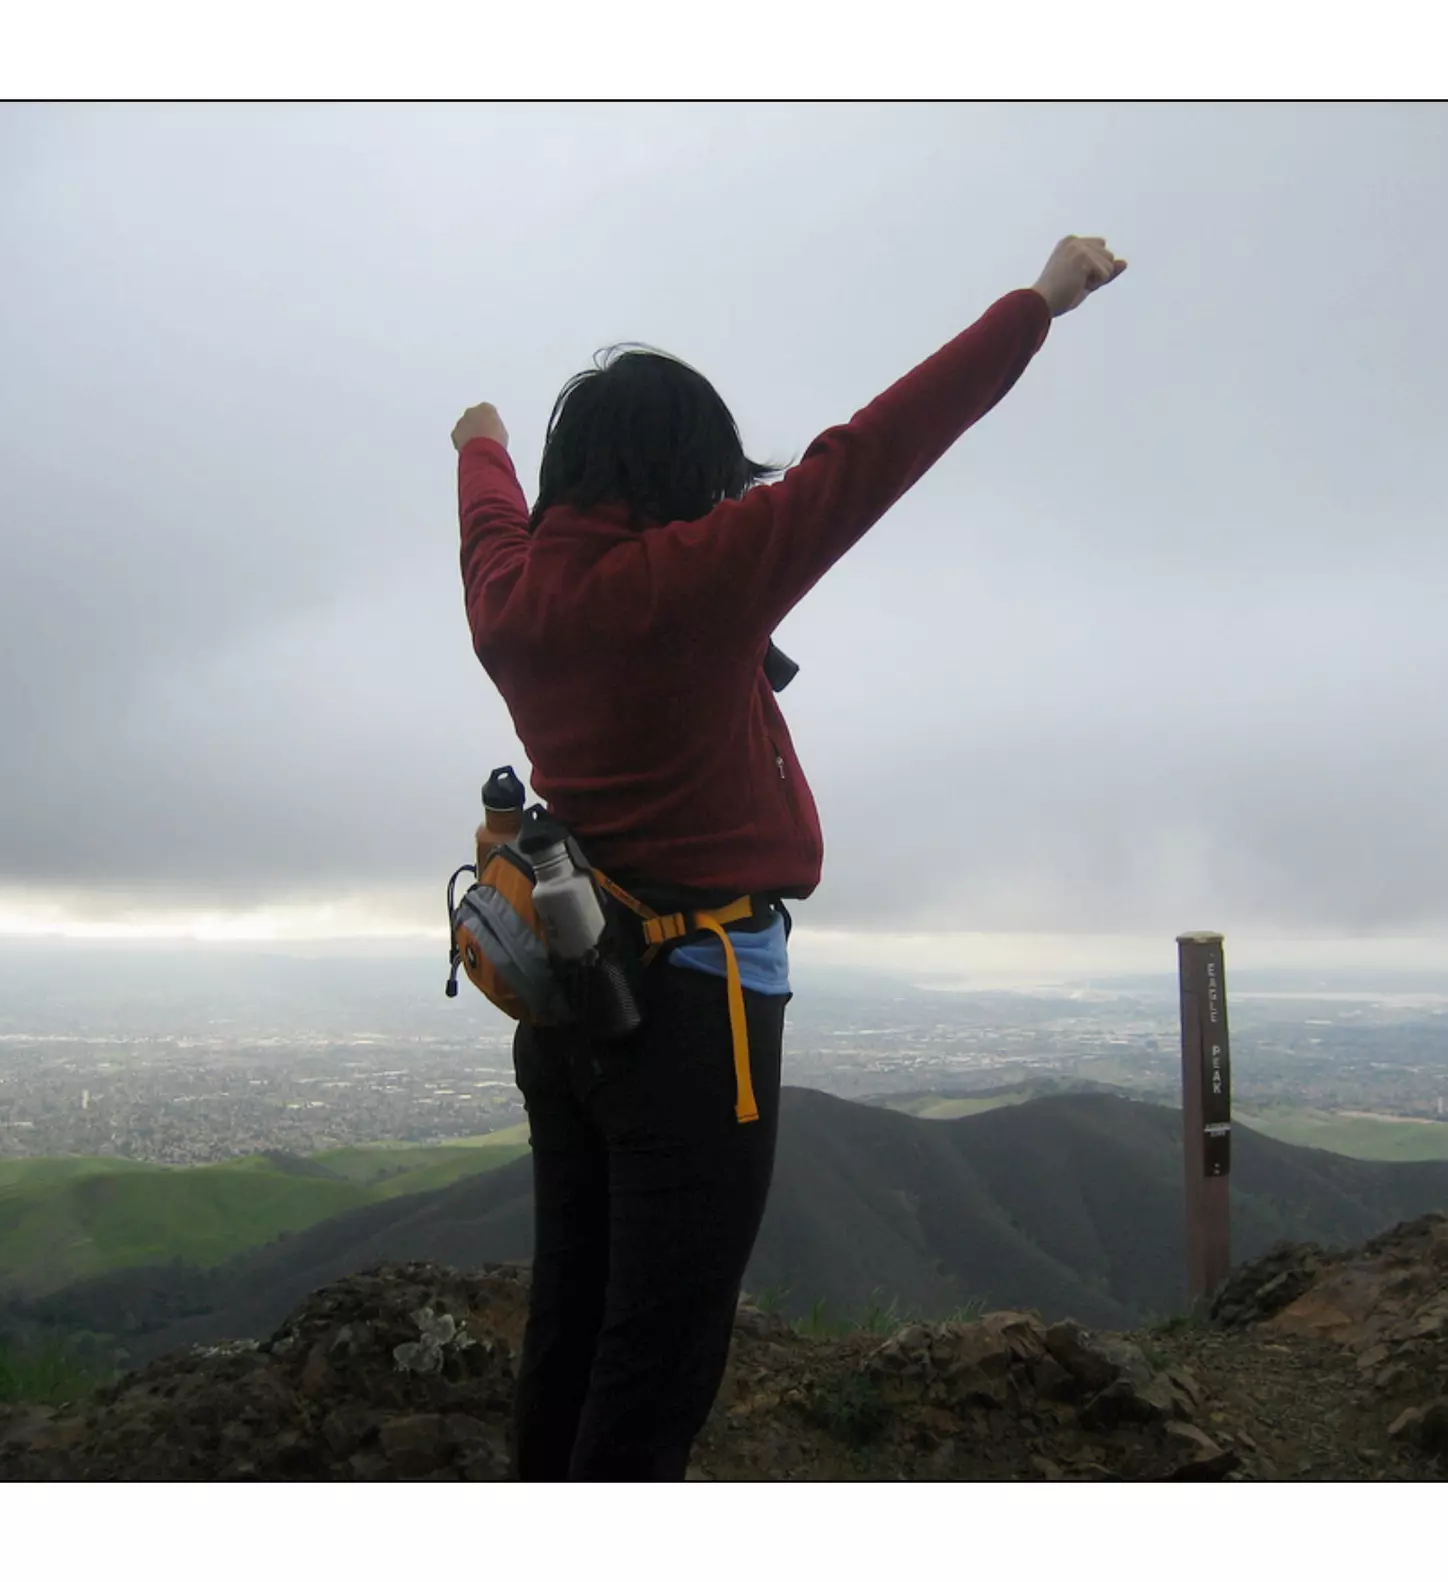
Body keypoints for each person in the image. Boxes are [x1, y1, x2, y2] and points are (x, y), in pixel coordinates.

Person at [452, 234, 1128, 1480]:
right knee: (658, 1353)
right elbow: (869, 455)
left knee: (575, 1314)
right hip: (692, 1014)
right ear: (678, 476)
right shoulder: (691, 579)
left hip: (564, 1007)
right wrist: (1037, 304)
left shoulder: (509, 601)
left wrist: (478, 441)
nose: (727, 500)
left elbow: (489, 516)